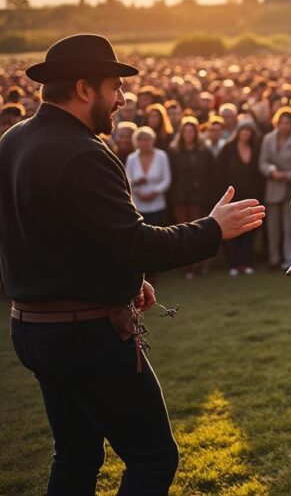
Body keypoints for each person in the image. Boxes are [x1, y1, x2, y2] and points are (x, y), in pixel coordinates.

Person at [0, 34, 264, 496]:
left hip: (31, 327)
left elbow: (66, 236)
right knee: (152, 457)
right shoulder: (84, 152)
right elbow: (136, 242)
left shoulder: (13, 140)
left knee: (76, 454)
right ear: (84, 89)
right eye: (114, 87)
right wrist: (212, 228)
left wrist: (125, 282)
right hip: (83, 335)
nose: (121, 100)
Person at [260, 107, 291, 272]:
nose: (284, 125)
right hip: (273, 188)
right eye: (281, 122)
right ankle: (281, 259)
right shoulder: (268, 139)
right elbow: (262, 162)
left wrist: (287, 175)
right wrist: (271, 171)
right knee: (275, 228)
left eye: (287, 122)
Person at [168, 116, 217, 278]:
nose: (188, 134)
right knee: (182, 231)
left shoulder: (204, 151)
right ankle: (187, 265)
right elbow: (172, 174)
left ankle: (201, 264)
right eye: (185, 131)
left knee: (198, 231)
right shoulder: (174, 151)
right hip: (180, 197)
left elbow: (210, 175)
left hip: (199, 197)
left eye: (191, 131)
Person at [217, 120, 265, 276]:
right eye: (243, 130)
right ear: (238, 132)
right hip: (233, 197)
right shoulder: (227, 149)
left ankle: (247, 263)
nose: (246, 133)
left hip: (252, 197)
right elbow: (220, 173)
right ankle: (233, 264)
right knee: (233, 230)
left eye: (249, 131)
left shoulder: (256, 149)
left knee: (249, 230)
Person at [126, 126, 173, 227]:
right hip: (138, 206)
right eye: (141, 140)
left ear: (153, 140)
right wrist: (137, 191)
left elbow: (167, 180)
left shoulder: (162, 156)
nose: (144, 142)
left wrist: (154, 192)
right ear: (136, 142)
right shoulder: (131, 158)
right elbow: (127, 179)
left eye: (147, 139)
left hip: (158, 204)